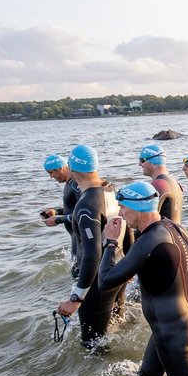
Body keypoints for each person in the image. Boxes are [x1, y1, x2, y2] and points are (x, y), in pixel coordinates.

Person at [97, 181, 188, 376]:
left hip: (172, 333)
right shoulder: (172, 227)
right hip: (172, 326)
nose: (121, 214)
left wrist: (110, 242)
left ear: (138, 208)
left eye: (123, 208)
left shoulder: (148, 241)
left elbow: (105, 282)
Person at [55, 144, 126, 348]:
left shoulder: (86, 204)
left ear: (72, 169)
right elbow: (126, 228)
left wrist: (77, 298)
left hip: (99, 280)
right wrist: (129, 265)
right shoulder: (111, 189)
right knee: (115, 325)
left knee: (92, 344)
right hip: (118, 270)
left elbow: (91, 254)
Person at [39, 153, 81, 272]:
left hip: (81, 238)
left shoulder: (75, 184)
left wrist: (58, 220)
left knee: (78, 274)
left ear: (61, 168)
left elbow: (86, 212)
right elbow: (76, 208)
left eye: (51, 173)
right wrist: (56, 212)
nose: (51, 177)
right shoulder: (69, 184)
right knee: (76, 274)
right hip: (75, 238)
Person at [138, 144, 184, 224]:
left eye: (142, 160)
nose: (139, 164)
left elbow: (146, 219)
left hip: (162, 235)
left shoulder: (158, 184)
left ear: (154, 161)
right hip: (176, 233)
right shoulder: (173, 181)